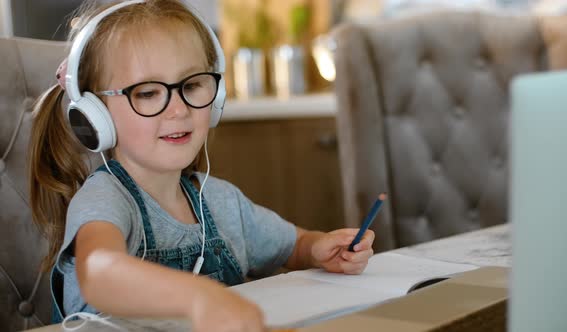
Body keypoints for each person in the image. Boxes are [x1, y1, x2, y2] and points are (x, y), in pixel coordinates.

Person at [28, 1, 375, 331]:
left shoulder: (221, 201)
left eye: (192, 85)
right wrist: (195, 297)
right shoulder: (105, 201)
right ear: (94, 116)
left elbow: (292, 246)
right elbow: (98, 273)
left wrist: (319, 249)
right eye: (147, 93)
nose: (178, 110)